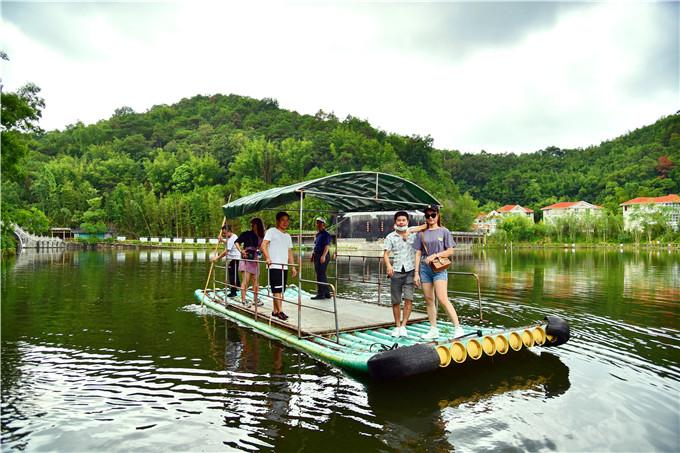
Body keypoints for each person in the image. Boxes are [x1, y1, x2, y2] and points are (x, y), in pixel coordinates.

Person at [413, 205, 464, 340]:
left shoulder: (444, 231)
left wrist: (435, 255)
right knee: (429, 300)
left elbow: (450, 251)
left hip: (439, 268)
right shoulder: (421, 233)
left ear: (438, 215)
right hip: (424, 269)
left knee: (442, 298)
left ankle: (458, 328)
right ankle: (433, 329)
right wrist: (416, 273)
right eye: (428, 215)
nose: (430, 217)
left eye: (433, 215)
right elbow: (418, 253)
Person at [382, 211, 426, 337]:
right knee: (395, 300)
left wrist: (412, 230)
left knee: (408, 298)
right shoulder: (390, 236)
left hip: (411, 270)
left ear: (407, 221)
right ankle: (397, 326)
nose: (401, 222)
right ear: (395, 222)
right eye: (399, 220)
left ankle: (404, 326)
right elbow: (386, 254)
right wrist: (388, 265)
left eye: (404, 220)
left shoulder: (413, 233)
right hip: (396, 270)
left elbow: (427, 225)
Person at [261, 211, 298, 321]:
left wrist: (293, 267)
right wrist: (267, 257)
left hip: (284, 266)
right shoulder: (271, 231)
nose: (285, 222)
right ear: (277, 221)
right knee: (276, 290)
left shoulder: (287, 236)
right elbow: (263, 245)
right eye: (283, 220)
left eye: (287, 220)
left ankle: (275, 311)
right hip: (274, 265)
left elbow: (289, 252)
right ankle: (280, 311)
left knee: (280, 290)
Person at [235, 217, 265, 307]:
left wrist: (261, 251)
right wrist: (241, 251)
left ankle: (255, 299)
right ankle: (243, 300)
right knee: (246, 280)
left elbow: (263, 246)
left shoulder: (262, 236)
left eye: (254, 223)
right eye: (252, 224)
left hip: (255, 258)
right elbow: (237, 242)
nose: (252, 225)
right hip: (247, 257)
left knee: (256, 280)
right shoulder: (247, 233)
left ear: (258, 224)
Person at [212, 224, 241, 297]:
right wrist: (222, 240)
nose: (224, 235)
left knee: (232, 275)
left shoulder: (232, 238)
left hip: (234, 259)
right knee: (235, 274)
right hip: (235, 258)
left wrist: (217, 258)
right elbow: (228, 243)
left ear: (229, 231)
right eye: (223, 233)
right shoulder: (233, 236)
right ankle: (238, 287)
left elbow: (226, 251)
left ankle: (233, 292)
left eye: (225, 233)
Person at [310, 217, 332, 300]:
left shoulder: (326, 234)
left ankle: (321, 293)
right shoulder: (318, 234)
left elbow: (327, 246)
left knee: (320, 274)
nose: (318, 224)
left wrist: (323, 256)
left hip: (323, 256)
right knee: (321, 274)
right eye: (317, 223)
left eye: (320, 223)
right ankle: (327, 293)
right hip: (317, 255)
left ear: (324, 224)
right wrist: (313, 255)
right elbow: (316, 246)